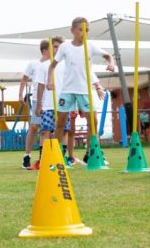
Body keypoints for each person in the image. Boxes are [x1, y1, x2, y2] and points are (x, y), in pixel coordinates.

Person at [48, 17, 113, 166]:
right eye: (81, 29)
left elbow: (108, 56)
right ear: (73, 31)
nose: (84, 32)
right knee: (60, 122)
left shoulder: (90, 46)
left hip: (84, 90)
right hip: (67, 90)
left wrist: (111, 64)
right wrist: (49, 80)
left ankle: (92, 153)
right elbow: (52, 65)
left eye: (87, 30)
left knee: (93, 122)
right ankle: (57, 156)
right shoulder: (65, 47)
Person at [33, 36, 66, 169]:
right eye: (55, 46)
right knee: (45, 131)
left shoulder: (65, 65)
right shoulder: (43, 66)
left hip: (63, 103)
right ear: (50, 48)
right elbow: (40, 85)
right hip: (47, 104)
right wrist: (39, 104)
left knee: (63, 131)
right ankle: (43, 159)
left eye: (59, 46)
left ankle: (62, 158)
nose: (57, 49)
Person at [19, 40, 50, 170]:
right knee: (34, 127)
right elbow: (24, 79)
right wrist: (20, 95)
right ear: (44, 50)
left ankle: (44, 158)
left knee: (46, 129)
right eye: (51, 49)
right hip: (37, 99)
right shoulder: (34, 64)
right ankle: (27, 155)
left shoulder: (54, 65)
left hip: (49, 100)